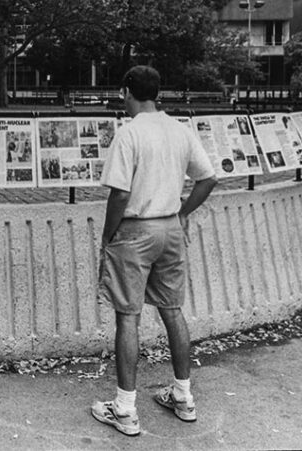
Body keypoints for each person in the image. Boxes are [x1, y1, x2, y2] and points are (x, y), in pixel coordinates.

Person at [91, 66, 217, 437]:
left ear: (127, 91)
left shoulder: (129, 134)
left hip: (135, 230)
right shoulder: (179, 130)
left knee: (127, 317)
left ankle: (125, 409)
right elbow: (208, 178)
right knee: (172, 311)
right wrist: (181, 212)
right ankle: (183, 396)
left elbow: (120, 193)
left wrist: (107, 236)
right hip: (170, 229)